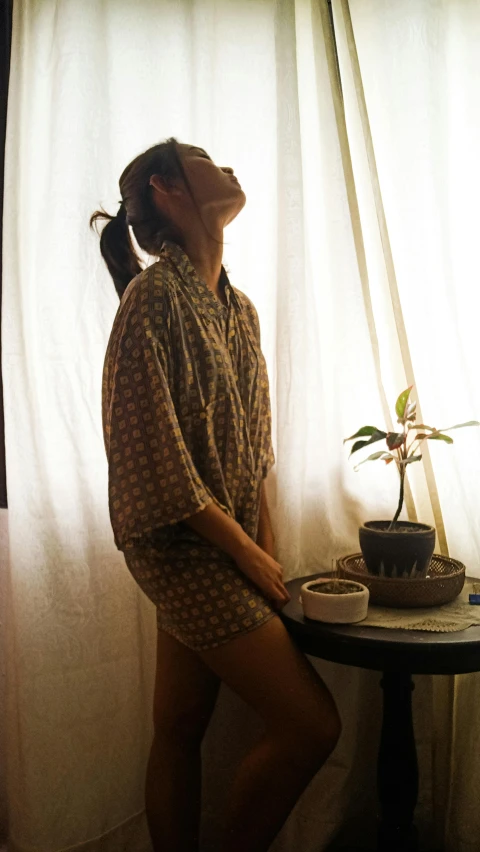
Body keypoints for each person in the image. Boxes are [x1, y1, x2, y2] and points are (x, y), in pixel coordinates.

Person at [91, 137, 341, 852]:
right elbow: (151, 459)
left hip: (227, 544)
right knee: (313, 725)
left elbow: (256, 448)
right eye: (203, 159)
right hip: (180, 546)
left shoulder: (240, 311)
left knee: (178, 726)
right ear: (168, 189)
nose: (226, 167)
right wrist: (244, 555)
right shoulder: (149, 301)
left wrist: (267, 548)